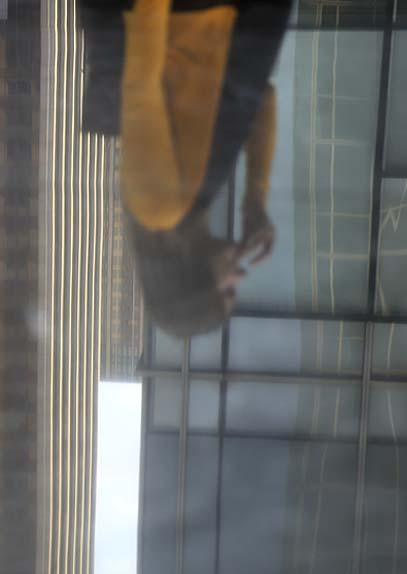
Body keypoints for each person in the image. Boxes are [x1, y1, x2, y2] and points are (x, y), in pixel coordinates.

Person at [83, 0, 293, 337]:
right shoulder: (194, 201)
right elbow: (261, 99)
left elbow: (142, 86)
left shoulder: (159, 208)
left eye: (227, 290)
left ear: (191, 283)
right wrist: (255, 199)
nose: (239, 278)